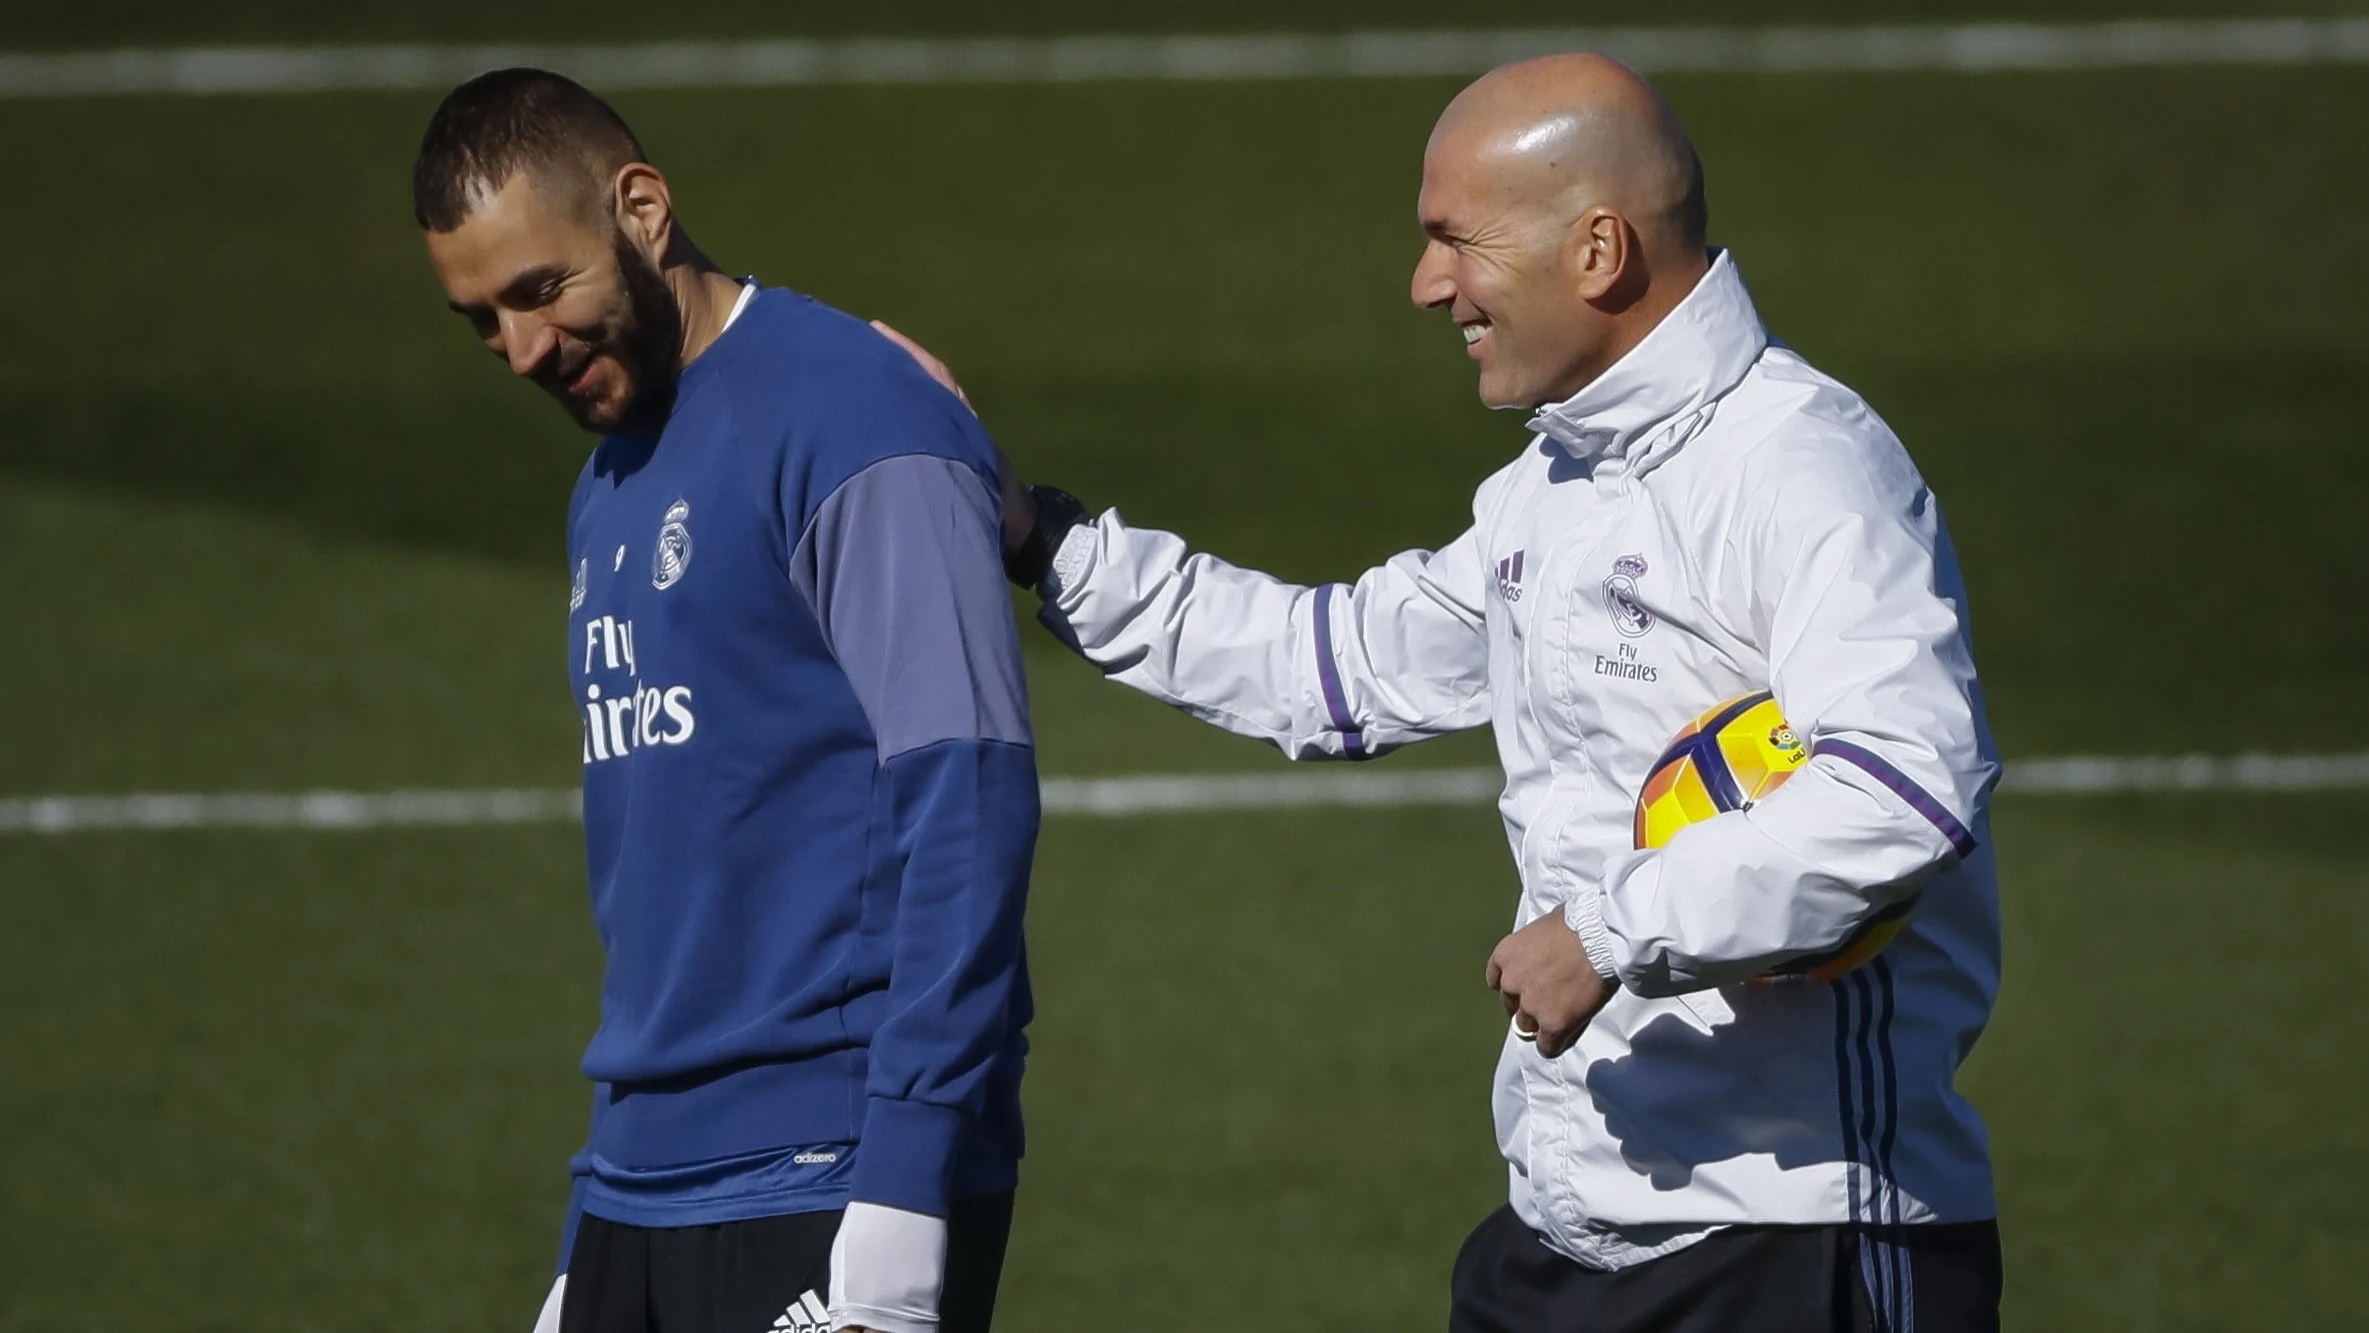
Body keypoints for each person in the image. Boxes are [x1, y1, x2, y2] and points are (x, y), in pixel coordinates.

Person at [894, 52, 2003, 1333]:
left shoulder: (1801, 469)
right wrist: (1043, 540)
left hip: (1788, 1241)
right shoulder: (1549, 491)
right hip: (1572, 1229)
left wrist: (1607, 931)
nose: (1427, 286)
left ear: (1597, 251)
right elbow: (1334, 666)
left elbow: (1902, 790)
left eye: (1452, 241)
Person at [413, 69, 1037, 1333]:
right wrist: (595, 1220)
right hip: (643, 1189)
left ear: (640, 207)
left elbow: (968, 798)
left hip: (831, 1170)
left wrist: (908, 1185)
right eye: (481, 319)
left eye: (541, 290)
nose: (522, 349)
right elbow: (662, 893)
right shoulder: (611, 479)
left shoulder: (854, 419)